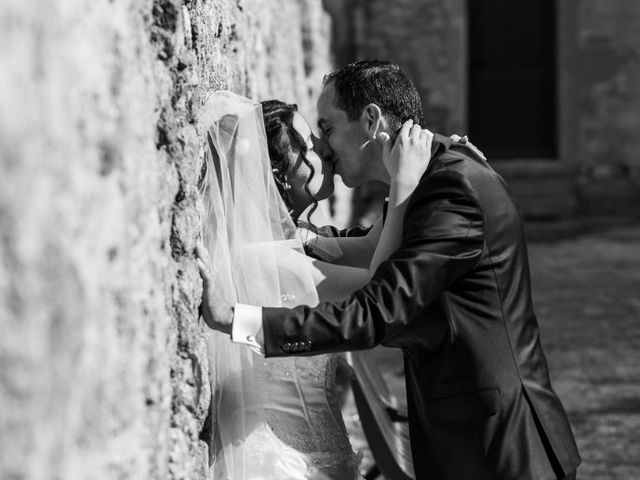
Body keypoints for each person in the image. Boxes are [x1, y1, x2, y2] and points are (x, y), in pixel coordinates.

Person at [198, 60, 582, 479]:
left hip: (500, 449)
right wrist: (308, 237)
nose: (324, 148)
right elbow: (369, 248)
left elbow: (378, 305)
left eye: (327, 128)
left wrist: (233, 319)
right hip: (470, 441)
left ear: (371, 119)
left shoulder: (452, 189)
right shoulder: (435, 178)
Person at [198, 90, 433, 479]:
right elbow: (380, 284)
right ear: (279, 176)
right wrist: (404, 181)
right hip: (290, 464)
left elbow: (373, 245)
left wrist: (404, 169)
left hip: (318, 456)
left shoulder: (291, 244)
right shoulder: (267, 259)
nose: (323, 149)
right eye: (309, 146)